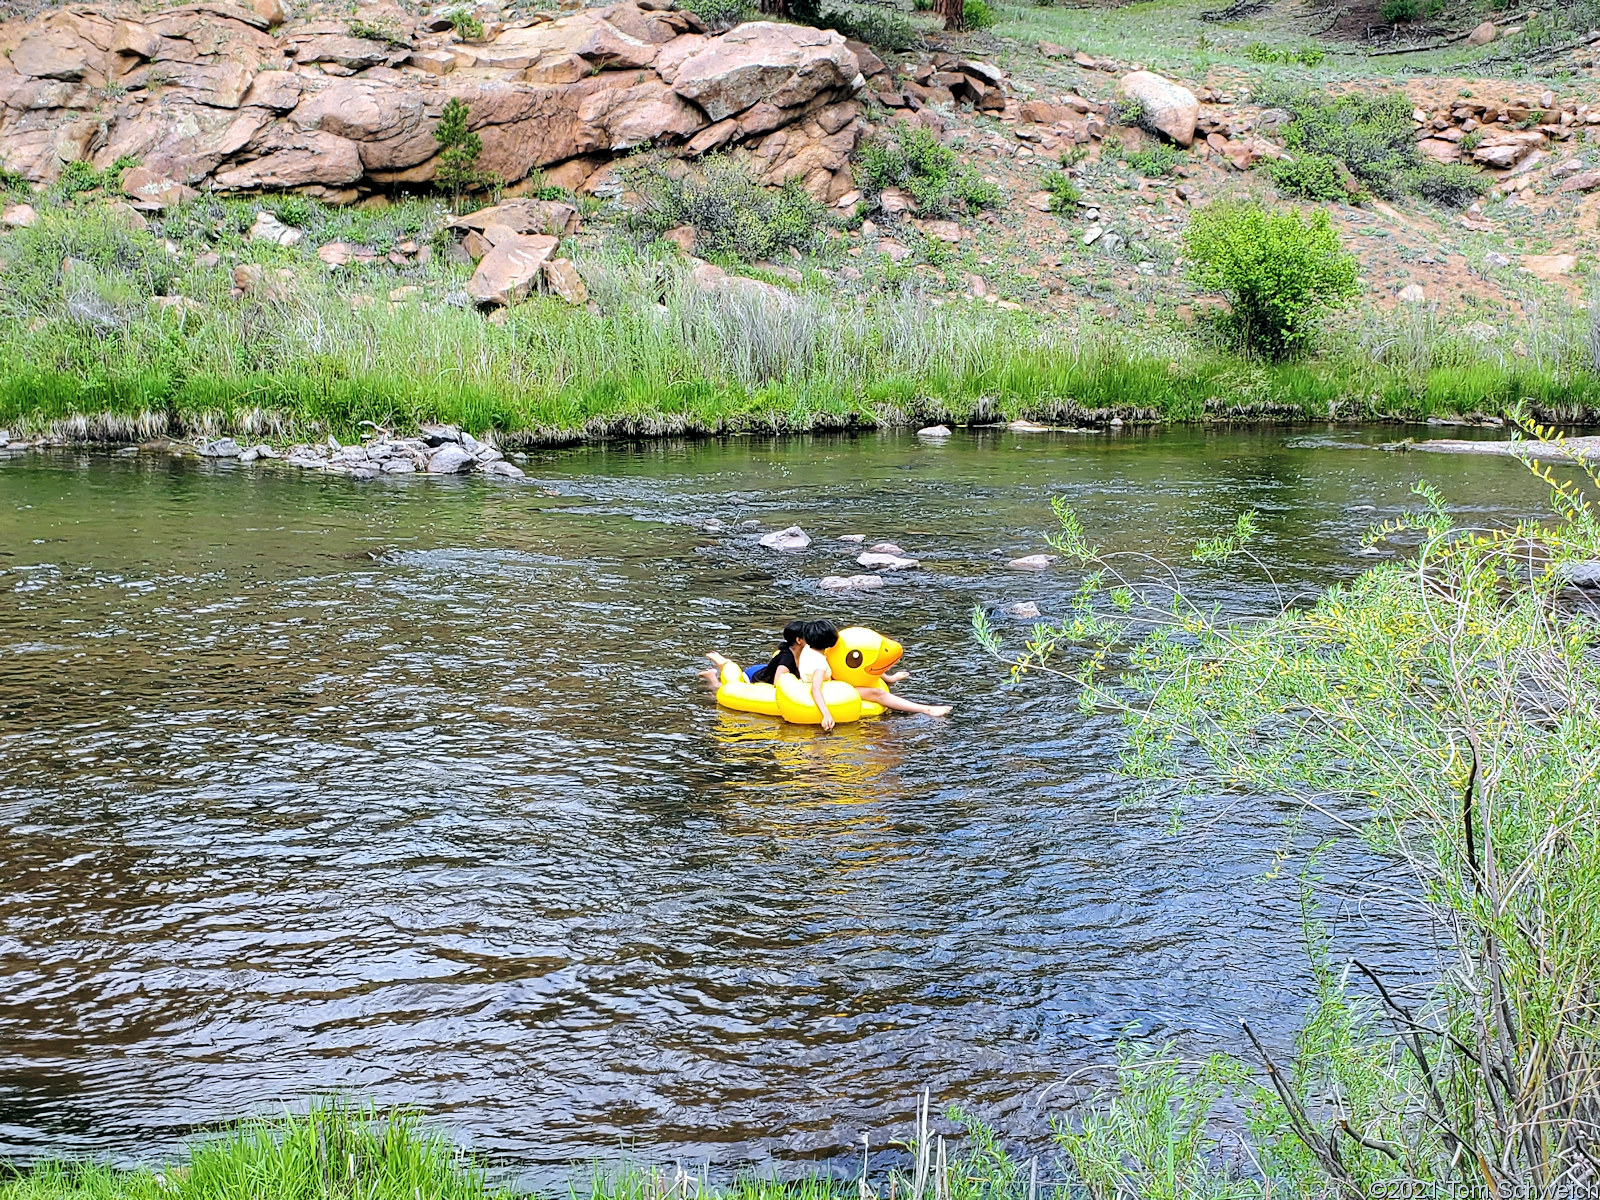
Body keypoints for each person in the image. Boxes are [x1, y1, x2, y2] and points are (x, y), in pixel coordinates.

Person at [702, 621, 805, 689]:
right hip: (755, 677)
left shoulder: (802, 652)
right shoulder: (787, 659)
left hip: (765, 669)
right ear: (798, 640)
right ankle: (712, 676)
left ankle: (723, 662)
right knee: (719, 690)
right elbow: (778, 684)